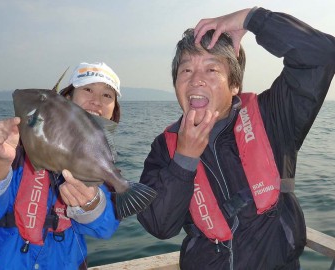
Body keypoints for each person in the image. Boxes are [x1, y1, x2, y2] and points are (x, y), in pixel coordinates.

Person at [137, 7, 335, 270]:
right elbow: (159, 225)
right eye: (186, 71)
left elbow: (321, 55)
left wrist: (252, 19)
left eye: (211, 70)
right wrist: (184, 160)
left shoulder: (273, 116)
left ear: (234, 85)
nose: (196, 80)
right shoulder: (164, 148)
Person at [0, 62, 122, 269]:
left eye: (107, 95)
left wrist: (90, 204)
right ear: (67, 99)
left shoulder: (102, 164)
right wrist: (1, 160)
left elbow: (105, 228)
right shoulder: (16, 143)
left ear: (113, 110)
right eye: (88, 89)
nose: (96, 101)